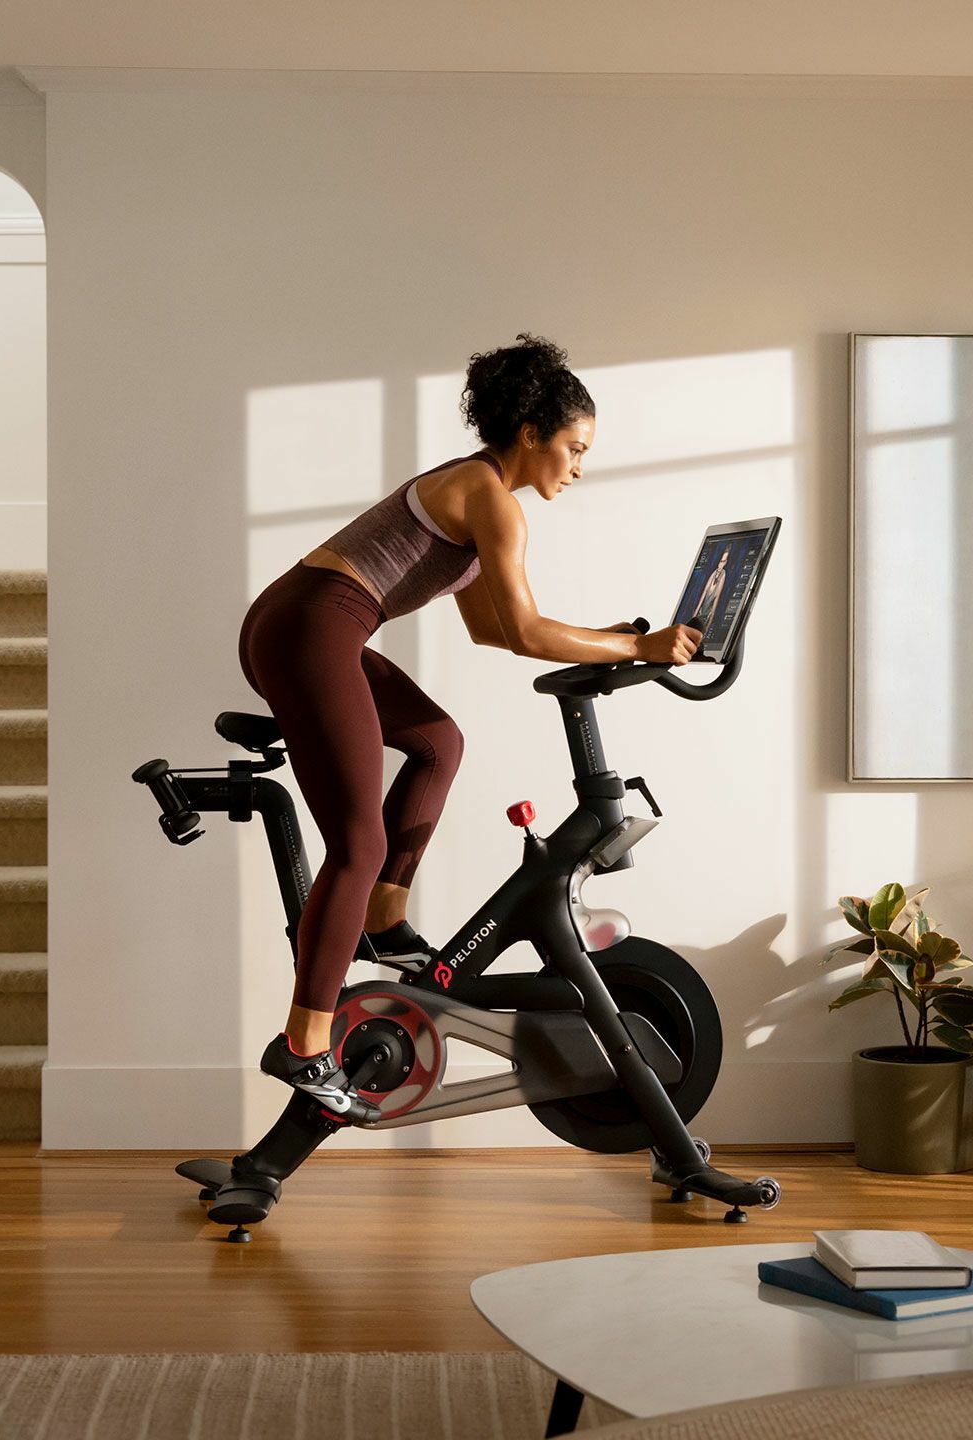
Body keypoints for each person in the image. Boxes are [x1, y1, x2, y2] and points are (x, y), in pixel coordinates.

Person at [236, 334, 702, 1120]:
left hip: (307, 620)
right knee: (359, 843)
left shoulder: (477, 492)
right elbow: (523, 633)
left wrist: (618, 639)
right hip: (312, 625)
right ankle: (305, 1044)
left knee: (437, 741)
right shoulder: (491, 498)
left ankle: (384, 921)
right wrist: (639, 646)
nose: (579, 467)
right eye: (574, 448)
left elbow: (492, 629)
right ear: (530, 436)